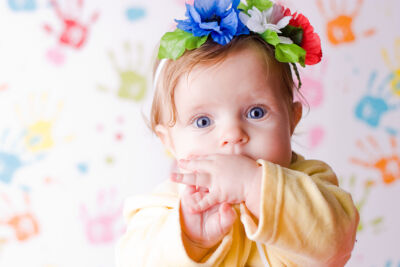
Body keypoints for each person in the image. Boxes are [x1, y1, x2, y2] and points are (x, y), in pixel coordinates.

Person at [116, 0, 359, 266]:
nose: (232, 134)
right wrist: (190, 238)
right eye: (203, 121)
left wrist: (255, 185)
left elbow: (335, 242)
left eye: (256, 112)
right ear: (169, 141)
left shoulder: (310, 182)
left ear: (292, 120)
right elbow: (132, 259)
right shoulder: (168, 205)